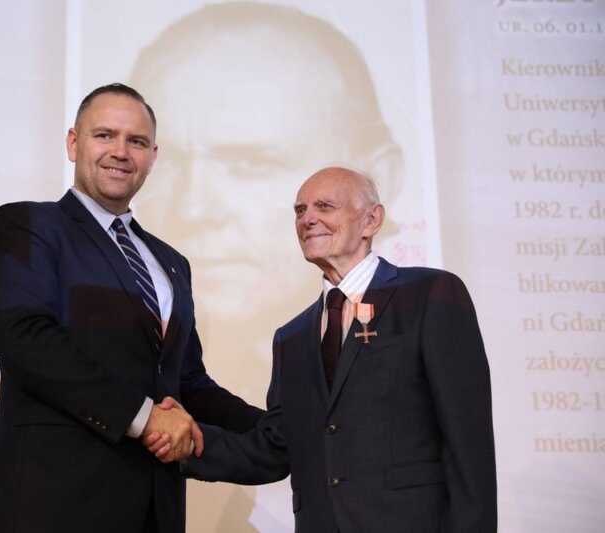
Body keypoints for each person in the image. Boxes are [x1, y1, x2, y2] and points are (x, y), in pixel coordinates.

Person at [0, 83, 263, 533]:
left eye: (136, 141)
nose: (120, 152)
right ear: (73, 143)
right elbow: (24, 338)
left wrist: (282, 429)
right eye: (104, 135)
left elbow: (185, 382)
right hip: (50, 508)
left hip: (154, 510)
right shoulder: (28, 225)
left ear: (153, 157)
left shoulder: (172, 263)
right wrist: (146, 418)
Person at [148, 167, 497, 532]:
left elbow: (468, 443)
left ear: (371, 219)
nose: (308, 219)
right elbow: (274, 450)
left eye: (324, 206)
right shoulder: (292, 338)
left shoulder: (429, 295)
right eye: (300, 210)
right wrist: (189, 444)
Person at [128, 1, 412, 407]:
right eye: (170, 165)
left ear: (379, 182)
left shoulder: (425, 304)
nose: (193, 209)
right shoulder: (292, 339)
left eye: (249, 163)